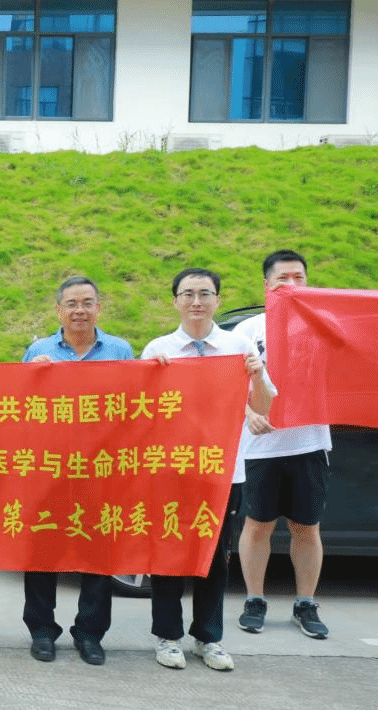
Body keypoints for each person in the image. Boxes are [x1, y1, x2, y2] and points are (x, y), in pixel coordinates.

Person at [140, 267, 275, 671]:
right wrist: (151, 376)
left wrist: (256, 375)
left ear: (218, 299)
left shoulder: (239, 345)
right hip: (172, 470)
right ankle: (168, 636)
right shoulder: (158, 349)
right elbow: (140, 413)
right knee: (169, 552)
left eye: (204, 293)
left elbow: (263, 405)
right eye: (188, 294)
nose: (196, 301)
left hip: (222, 472)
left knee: (215, 557)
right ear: (175, 301)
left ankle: (208, 637)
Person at [19, 276, 134, 665]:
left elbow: (136, 404)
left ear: (98, 308)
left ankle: (89, 633)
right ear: (58, 311)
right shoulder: (39, 351)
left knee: (98, 552)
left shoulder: (119, 350)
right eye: (71, 303)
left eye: (87, 303)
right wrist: (31, 377)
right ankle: (41, 630)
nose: (79, 310)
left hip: (102, 469)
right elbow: (17, 408)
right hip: (49, 468)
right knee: (42, 549)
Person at [235, 250, 332, 639]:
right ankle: (254, 600)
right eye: (282, 279)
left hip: (309, 441)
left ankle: (305, 603)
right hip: (260, 445)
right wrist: (247, 413)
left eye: (299, 278)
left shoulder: (325, 325)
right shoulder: (248, 330)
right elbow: (226, 384)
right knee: (257, 525)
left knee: (306, 527)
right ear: (267, 285)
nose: (291, 285)